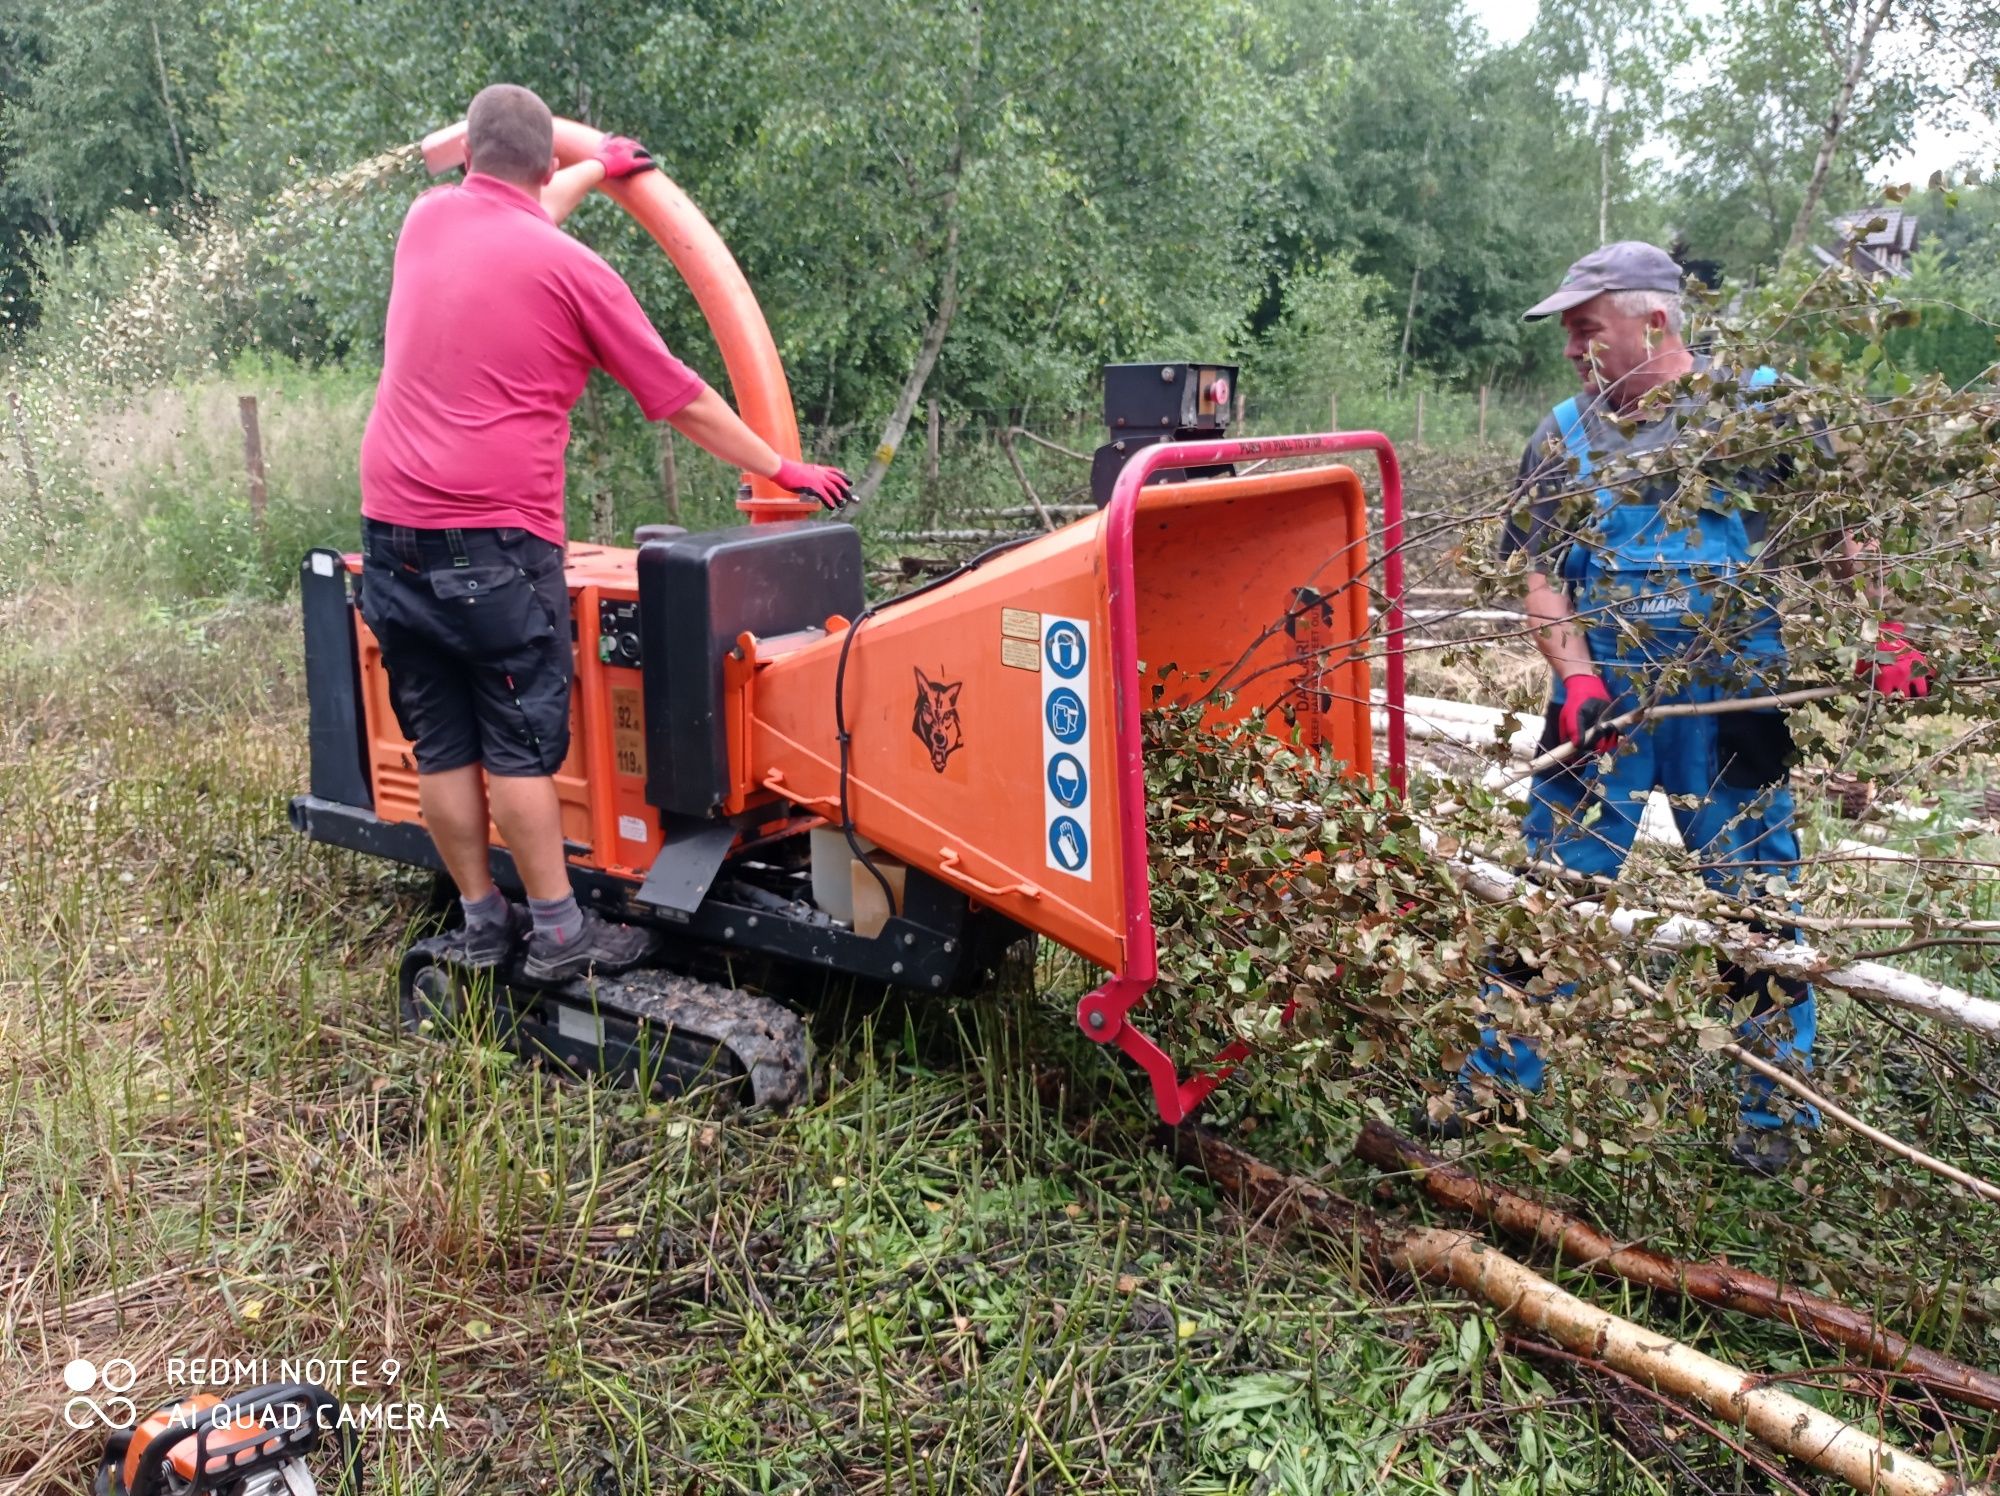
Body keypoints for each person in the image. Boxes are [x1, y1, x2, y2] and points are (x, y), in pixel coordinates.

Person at [1430, 241, 1931, 1175]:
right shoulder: (1561, 437)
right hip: (1603, 711)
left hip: (1736, 700)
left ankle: (1777, 1112)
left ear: (1653, 321)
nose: (1575, 351)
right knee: (1553, 900)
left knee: (1756, 911)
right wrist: (1575, 676)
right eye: (1571, 336)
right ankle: (1493, 1091)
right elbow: (1543, 579)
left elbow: (1841, 533)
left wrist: (1883, 628)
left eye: (1589, 330)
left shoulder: (1756, 414)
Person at [358, 83, 852, 983]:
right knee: (514, 747)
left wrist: (593, 166)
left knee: (443, 746)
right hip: (495, 549)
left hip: (391, 535)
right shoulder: (576, 274)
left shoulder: (427, 221)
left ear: (468, 157)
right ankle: (558, 933)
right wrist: (785, 470)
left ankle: (479, 918)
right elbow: (686, 399)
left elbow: (515, 205)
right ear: (545, 165)